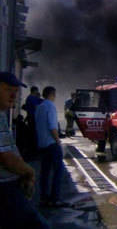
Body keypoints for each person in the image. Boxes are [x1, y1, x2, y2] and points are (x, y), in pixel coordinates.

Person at [0, 72, 49, 228]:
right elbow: (6, 157)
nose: (13, 95)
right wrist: (29, 172)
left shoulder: (1, 115)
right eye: (8, 89)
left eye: (16, 91)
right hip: (5, 190)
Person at [35, 86, 67, 207]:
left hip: (42, 144)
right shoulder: (51, 107)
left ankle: (43, 198)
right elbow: (52, 127)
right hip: (51, 144)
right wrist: (58, 140)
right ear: (52, 94)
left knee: (44, 172)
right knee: (58, 171)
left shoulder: (39, 107)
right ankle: (55, 199)